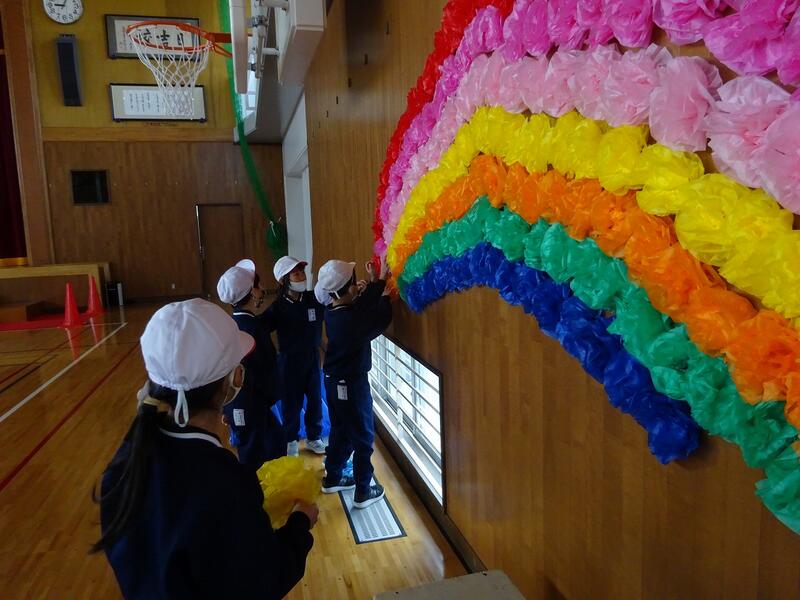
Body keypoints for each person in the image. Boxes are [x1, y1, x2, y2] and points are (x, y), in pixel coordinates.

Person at [91, 298, 318, 599]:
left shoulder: (124, 463)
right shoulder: (222, 483)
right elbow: (263, 581)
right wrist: (300, 524)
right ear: (233, 381)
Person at [317, 258, 392, 509]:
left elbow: (358, 309)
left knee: (339, 431)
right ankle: (363, 489)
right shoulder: (352, 320)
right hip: (351, 385)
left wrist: (375, 283)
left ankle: (334, 477)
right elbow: (378, 320)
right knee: (362, 436)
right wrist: (385, 296)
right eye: (353, 282)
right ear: (349, 289)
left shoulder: (333, 310)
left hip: (332, 382)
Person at [217, 259, 285, 466]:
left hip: (239, 403)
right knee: (254, 453)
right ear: (251, 292)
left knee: (272, 441)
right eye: (258, 285)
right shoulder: (253, 328)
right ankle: (253, 493)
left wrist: (225, 406)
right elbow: (266, 368)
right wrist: (272, 395)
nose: (263, 289)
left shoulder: (231, 323)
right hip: (251, 403)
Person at [264, 256, 326, 457]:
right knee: (292, 402)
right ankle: (290, 439)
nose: (301, 276)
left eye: (302, 272)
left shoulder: (313, 299)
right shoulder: (278, 307)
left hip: (312, 357)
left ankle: (314, 437)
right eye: (296, 273)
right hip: (289, 360)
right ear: (284, 280)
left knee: (315, 398)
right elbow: (260, 327)